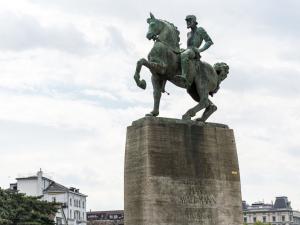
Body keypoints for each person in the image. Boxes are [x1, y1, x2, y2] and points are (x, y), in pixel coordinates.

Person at [178, 15, 214, 87]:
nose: (188, 22)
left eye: (189, 21)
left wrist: (200, 50)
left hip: (194, 51)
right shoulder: (188, 34)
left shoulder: (200, 30)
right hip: (188, 50)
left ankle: (184, 76)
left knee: (184, 55)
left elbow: (209, 41)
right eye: (187, 21)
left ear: (194, 22)